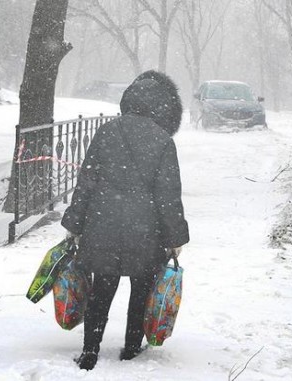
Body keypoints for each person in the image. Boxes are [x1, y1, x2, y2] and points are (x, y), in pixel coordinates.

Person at [61, 70, 189, 371]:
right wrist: (174, 238)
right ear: (158, 106)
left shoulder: (105, 132)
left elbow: (86, 181)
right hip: (145, 232)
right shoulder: (162, 141)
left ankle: (90, 350)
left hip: (102, 227)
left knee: (101, 290)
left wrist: (75, 223)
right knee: (141, 288)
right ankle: (132, 347)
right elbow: (168, 195)